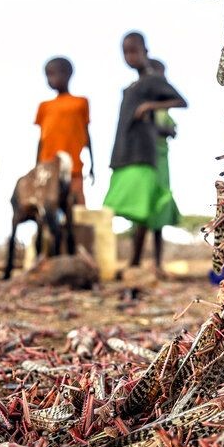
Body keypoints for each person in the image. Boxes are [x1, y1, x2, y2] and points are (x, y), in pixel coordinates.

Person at [103, 32, 187, 272]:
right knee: (126, 206)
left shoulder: (152, 80)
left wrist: (151, 105)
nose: (129, 56)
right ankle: (135, 260)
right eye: (125, 52)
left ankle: (136, 261)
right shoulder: (132, 86)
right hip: (125, 152)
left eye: (134, 51)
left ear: (145, 52)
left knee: (142, 208)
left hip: (145, 152)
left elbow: (181, 101)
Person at [34, 57, 94, 205]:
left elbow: (87, 135)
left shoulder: (81, 103)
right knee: (47, 206)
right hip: (48, 167)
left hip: (74, 167)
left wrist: (93, 164)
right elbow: (41, 139)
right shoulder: (44, 106)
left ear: (68, 74)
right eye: (48, 75)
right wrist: (36, 167)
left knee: (76, 205)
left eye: (54, 74)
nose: (50, 79)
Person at [148, 59, 182, 232]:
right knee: (146, 202)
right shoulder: (144, 103)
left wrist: (164, 129)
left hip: (162, 158)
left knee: (161, 200)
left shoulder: (162, 109)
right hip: (148, 159)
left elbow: (173, 131)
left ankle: (157, 257)